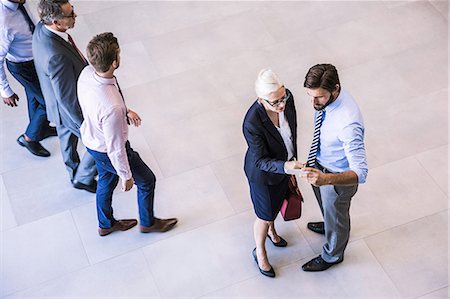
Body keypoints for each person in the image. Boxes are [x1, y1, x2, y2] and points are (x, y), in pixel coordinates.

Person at [77, 32, 178, 236]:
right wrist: (126, 175)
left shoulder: (87, 73)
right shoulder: (111, 107)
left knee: (105, 179)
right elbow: (116, 148)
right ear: (114, 62)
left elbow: (100, 105)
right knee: (147, 180)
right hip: (107, 149)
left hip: (92, 140)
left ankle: (105, 224)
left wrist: (124, 110)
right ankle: (147, 223)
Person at [300, 64, 368, 271]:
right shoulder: (328, 99)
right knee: (330, 212)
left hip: (335, 177)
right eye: (310, 96)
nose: (313, 102)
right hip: (320, 165)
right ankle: (331, 224)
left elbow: (360, 173)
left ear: (336, 88)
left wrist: (326, 179)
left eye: (319, 97)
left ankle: (332, 255)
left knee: (336, 212)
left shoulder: (348, 125)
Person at [243, 69, 303, 278]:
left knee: (275, 205)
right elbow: (260, 161)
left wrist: (291, 161)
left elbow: (290, 133)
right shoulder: (252, 122)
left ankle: (272, 231)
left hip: (284, 167)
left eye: (283, 97)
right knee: (264, 214)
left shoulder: (287, 98)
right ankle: (260, 251)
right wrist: (287, 166)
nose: (282, 105)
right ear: (261, 100)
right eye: (275, 102)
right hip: (263, 176)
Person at [33, 0, 97, 193]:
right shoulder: (56, 56)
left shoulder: (41, 29)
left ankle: (73, 169)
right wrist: (84, 125)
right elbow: (67, 98)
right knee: (98, 142)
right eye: (70, 15)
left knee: (66, 140)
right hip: (69, 109)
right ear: (55, 21)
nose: (75, 16)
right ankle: (83, 178)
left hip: (55, 105)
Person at [0, 0, 57, 157]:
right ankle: (29, 138)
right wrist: (5, 90)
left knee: (34, 97)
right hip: (22, 67)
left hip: (35, 58)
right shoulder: (3, 21)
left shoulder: (20, 4)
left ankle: (41, 129)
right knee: (48, 101)